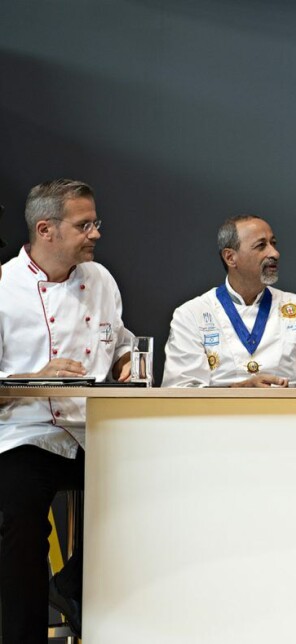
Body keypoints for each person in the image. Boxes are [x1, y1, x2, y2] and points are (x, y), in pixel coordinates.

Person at [0, 179, 133, 642]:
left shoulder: (100, 279)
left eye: (95, 222)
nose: (96, 233)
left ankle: (71, 584)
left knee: (156, 487)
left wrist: (126, 362)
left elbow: (121, 341)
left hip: (92, 430)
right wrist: (35, 377)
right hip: (26, 433)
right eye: (84, 225)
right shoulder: (2, 287)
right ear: (46, 229)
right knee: (19, 521)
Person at [163, 215, 296, 387]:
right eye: (261, 246)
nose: (275, 253)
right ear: (230, 257)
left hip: (287, 412)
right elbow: (181, 396)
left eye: (273, 243)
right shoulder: (191, 314)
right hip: (219, 414)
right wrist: (241, 390)